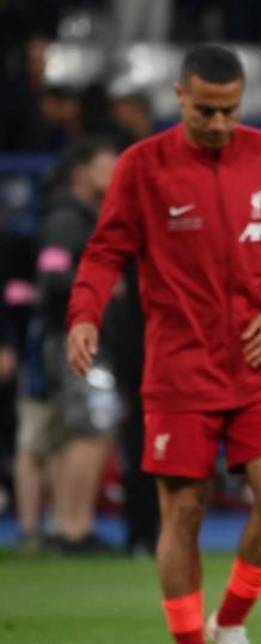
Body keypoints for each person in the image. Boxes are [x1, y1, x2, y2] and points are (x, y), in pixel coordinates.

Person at [65, 44, 261, 644]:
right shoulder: (143, 166)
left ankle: (230, 623)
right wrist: (85, 313)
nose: (219, 124)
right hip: (180, 364)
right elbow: (105, 250)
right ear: (180, 97)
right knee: (183, 511)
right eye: (206, 110)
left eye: (230, 110)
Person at [15, 138, 122, 555]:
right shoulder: (65, 219)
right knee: (90, 429)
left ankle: (75, 523)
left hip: (86, 336)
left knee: (90, 429)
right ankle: (72, 528)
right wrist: (101, 286)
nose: (113, 174)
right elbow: (51, 279)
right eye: (105, 165)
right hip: (72, 337)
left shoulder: (90, 217)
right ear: (81, 172)